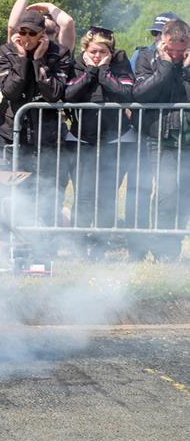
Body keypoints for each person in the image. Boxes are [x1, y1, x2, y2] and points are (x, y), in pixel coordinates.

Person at [0, 10, 72, 227]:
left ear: (42, 35)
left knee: (50, 190)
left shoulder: (60, 53)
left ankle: (47, 240)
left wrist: (39, 62)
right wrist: (21, 59)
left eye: (32, 33)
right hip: (13, 134)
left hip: (47, 135)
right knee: (16, 192)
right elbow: (9, 91)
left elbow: (54, 93)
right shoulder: (6, 51)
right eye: (23, 32)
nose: (27, 38)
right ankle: (14, 239)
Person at [64, 26, 135, 255]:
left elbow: (125, 94)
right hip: (81, 139)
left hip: (115, 140)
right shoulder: (77, 64)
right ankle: (78, 246)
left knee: (106, 195)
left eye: (103, 51)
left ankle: (101, 246)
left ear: (111, 52)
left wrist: (104, 69)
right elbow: (69, 95)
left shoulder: (120, 63)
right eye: (93, 51)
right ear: (85, 50)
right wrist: (91, 72)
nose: (97, 55)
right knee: (83, 195)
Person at [132, 18, 190, 261]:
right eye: (171, 50)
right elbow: (142, 93)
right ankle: (162, 250)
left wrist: (186, 70)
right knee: (167, 193)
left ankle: (172, 248)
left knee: (184, 194)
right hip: (161, 137)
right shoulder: (147, 58)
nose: (175, 55)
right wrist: (167, 65)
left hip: (187, 139)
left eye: (181, 51)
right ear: (163, 40)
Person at [8, 0, 76, 53]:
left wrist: (49, 6)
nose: (43, 18)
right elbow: (12, 27)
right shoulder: (24, 45)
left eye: (48, 16)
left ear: (57, 29)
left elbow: (67, 22)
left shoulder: (61, 50)